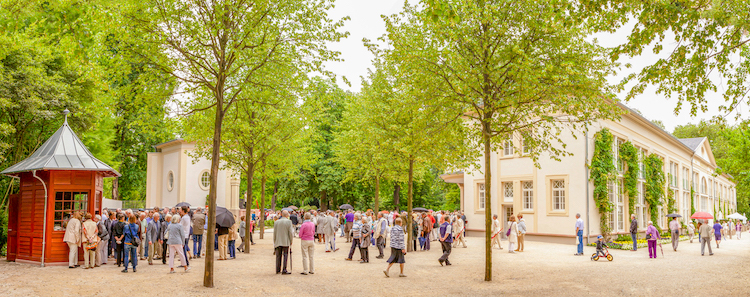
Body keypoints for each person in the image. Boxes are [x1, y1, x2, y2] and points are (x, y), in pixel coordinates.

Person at [273, 210, 294, 274]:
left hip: (278, 241)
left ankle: (277, 269)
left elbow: (275, 233)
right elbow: (290, 232)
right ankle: (284, 269)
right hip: (285, 241)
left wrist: (275, 241)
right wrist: (291, 240)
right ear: (287, 215)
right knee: (285, 255)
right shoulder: (289, 222)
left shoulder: (276, 222)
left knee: (278, 256)